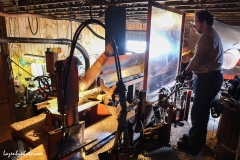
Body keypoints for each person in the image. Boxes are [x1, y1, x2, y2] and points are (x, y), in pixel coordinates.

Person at [176, 10, 223, 154]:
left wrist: (184, 73)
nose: (195, 25)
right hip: (211, 77)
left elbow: (196, 61)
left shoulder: (207, 37)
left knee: (198, 111)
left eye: (196, 22)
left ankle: (193, 145)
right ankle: (196, 137)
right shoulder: (211, 35)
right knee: (202, 111)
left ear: (204, 23)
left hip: (208, 79)